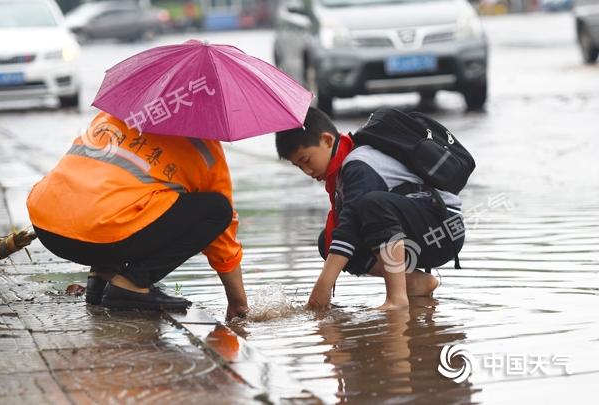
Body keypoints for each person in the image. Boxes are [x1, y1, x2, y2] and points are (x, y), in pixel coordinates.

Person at [27, 111, 248, 319]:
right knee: (217, 209)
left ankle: (101, 277)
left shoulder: (112, 114)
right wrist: (237, 301)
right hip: (101, 238)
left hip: (46, 225)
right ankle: (132, 284)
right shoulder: (205, 147)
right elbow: (222, 233)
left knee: (122, 193)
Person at [275, 107, 465, 310]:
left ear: (327, 140)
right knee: (328, 241)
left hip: (442, 232)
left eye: (306, 160)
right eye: (299, 166)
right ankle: (416, 283)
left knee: (370, 204)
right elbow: (345, 230)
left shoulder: (358, 165)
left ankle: (397, 299)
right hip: (418, 234)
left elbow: (350, 226)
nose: (307, 171)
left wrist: (322, 286)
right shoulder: (342, 171)